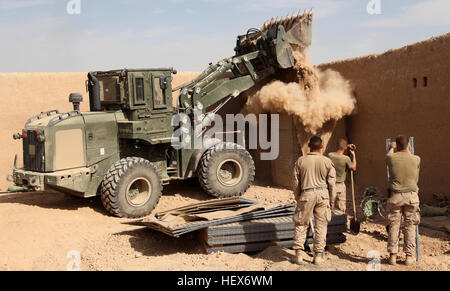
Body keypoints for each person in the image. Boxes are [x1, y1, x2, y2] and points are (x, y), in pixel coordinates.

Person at [292, 136, 336, 265]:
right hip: (323, 195)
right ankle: (317, 256)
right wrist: (332, 200)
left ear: (309, 145)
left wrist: (298, 197)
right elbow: (332, 183)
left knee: (301, 224)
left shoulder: (300, 161)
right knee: (321, 225)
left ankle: (299, 255)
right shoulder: (327, 161)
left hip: (306, 194)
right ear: (321, 146)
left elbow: (295, 182)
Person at [386, 135, 421, 266]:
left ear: (397, 146)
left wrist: (391, 147)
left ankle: (393, 256)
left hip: (395, 196)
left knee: (394, 226)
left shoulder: (391, 158)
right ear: (408, 146)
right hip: (411, 197)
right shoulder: (416, 159)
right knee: (410, 227)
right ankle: (409, 256)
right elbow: (410, 156)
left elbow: (389, 154)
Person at [328, 139, 357, 214]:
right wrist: (353, 155)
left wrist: (345, 146)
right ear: (345, 148)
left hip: (330, 184)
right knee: (340, 208)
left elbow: (340, 147)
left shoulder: (330, 155)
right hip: (340, 186)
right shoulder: (346, 158)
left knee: (329, 206)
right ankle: (339, 222)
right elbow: (353, 168)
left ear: (337, 146)